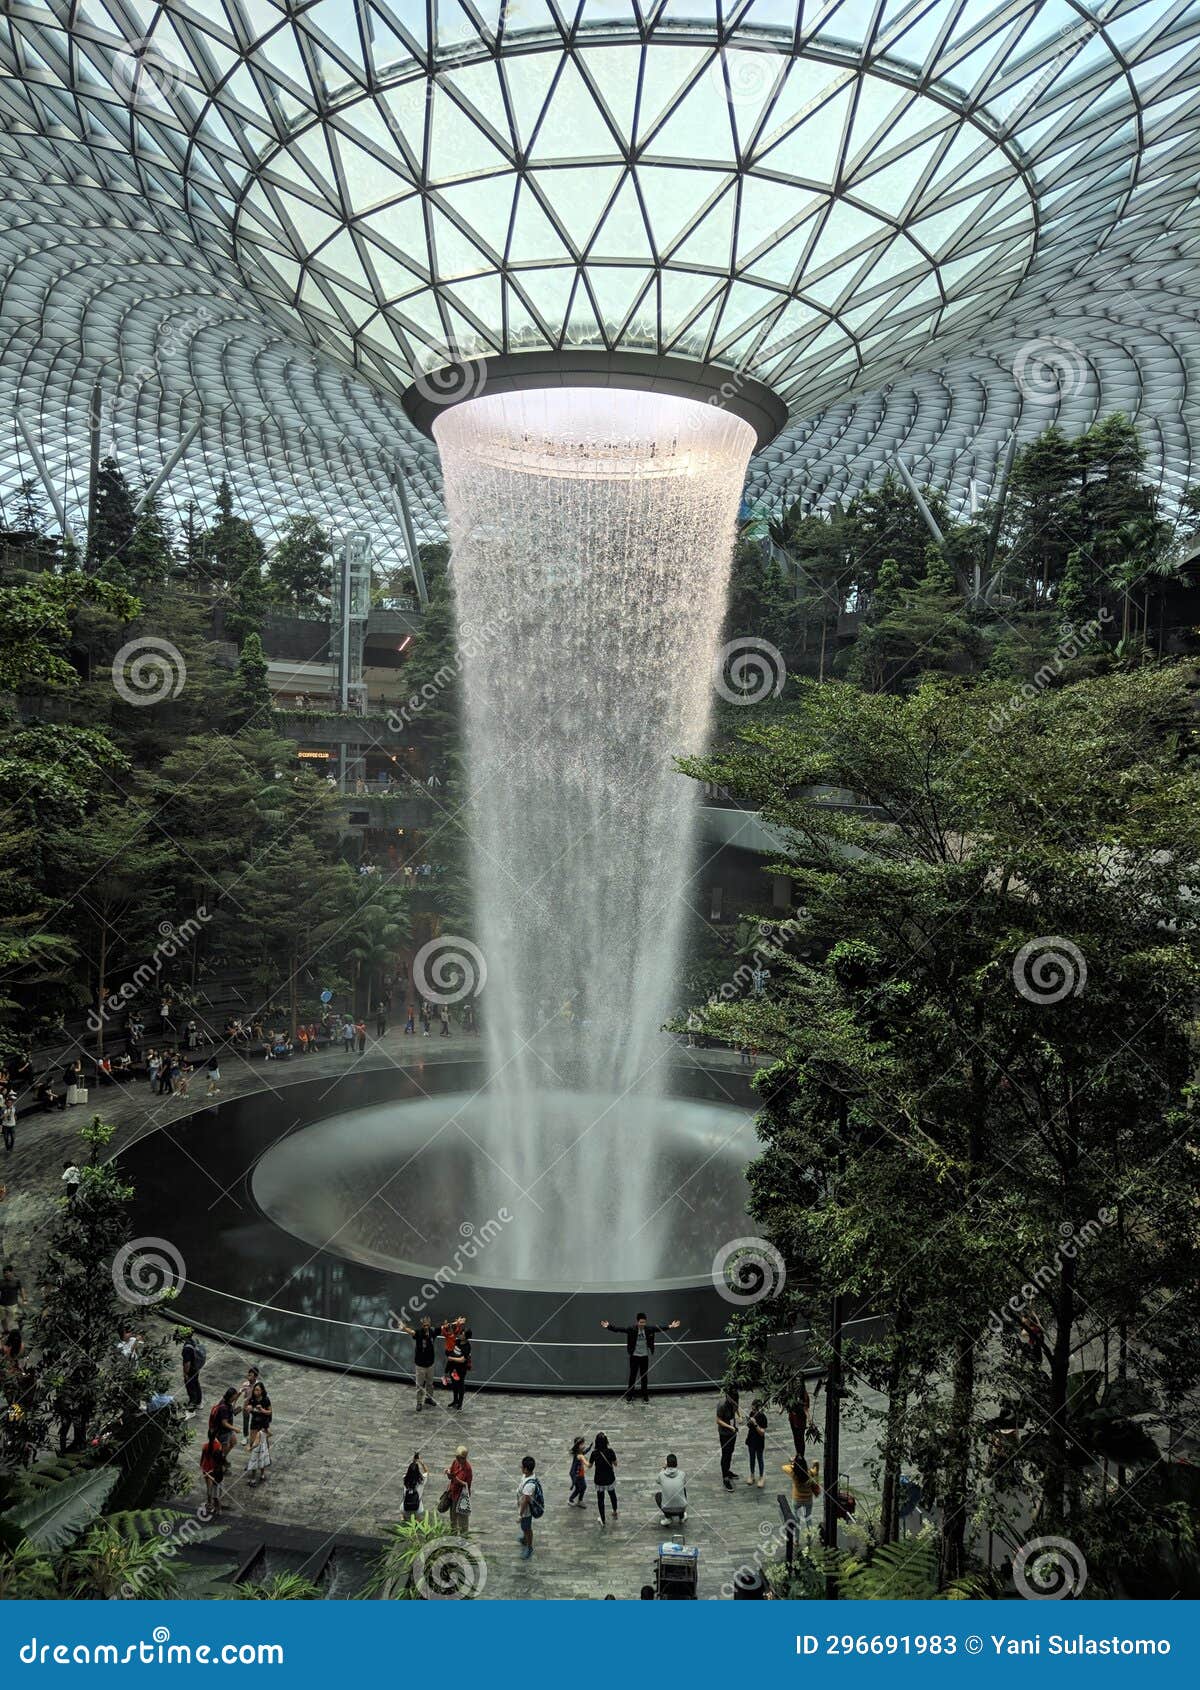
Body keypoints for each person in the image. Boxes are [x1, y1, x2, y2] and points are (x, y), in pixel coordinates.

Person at [598, 1311, 681, 1402]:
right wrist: (608, 1326)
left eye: (644, 1322)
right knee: (632, 1377)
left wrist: (671, 1326)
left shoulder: (649, 1329)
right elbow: (619, 1329)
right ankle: (630, 1396)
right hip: (634, 1357)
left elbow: (660, 1328)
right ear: (637, 1322)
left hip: (644, 1357)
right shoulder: (631, 1329)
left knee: (644, 1377)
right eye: (641, 1322)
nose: (642, 1324)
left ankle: (645, 1396)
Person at [398, 1316, 438, 1410]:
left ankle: (428, 1398)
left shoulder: (433, 1331)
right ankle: (419, 1402)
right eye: (424, 1325)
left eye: (427, 1325)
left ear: (430, 1324)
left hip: (430, 1364)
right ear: (422, 1325)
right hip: (420, 1365)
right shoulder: (419, 1332)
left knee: (430, 1384)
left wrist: (456, 1323)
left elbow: (444, 1328)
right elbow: (412, 1332)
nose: (426, 1327)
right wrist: (404, 1328)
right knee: (420, 1385)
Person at [244, 1382, 273, 1486]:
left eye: (258, 1390)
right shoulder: (252, 1399)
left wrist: (262, 1410)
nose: (256, 1392)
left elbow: (270, 1412)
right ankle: (254, 1465)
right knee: (254, 1444)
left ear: (262, 1391)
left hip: (263, 1424)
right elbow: (246, 1408)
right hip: (254, 1423)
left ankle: (261, 1470)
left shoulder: (265, 1399)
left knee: (262, 1447)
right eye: (255, 1390)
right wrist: (248, 1408)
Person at [588, 1432, 618, 1526]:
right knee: (612, 1495)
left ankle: (603, 1520)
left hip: (599, 1480)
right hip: (610, 1478)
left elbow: (589, 1466)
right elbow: (616, 1464)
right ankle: (615, 1511)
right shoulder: (610, 1451)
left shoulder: (594, 1453)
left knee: (600, 1499)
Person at [200, 1429, 232, 1518]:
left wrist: (202, 1465)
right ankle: (216, 1505)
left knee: (208, 1487)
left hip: (206, 1467)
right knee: (215, 1488)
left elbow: (202, 1458)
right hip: (214, 1468)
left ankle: (209, 1503)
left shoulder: (205, 1446)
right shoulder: (218, 1446)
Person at [517, 1455, 541, 1561]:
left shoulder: (529, 1486)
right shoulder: (526, 1475)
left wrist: (520, 1514)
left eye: (522, 1466)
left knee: (526, 1527)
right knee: (524, 1527)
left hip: (526, 1511)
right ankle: (524, 1538)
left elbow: (525, 1501)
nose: (520, 1467)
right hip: (523, 1508)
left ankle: (529, 1547)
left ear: (526, 1469)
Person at [445, 1445, 472, 1536]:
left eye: (459, 1458)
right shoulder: (455, 1463)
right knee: (453, 1518)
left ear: (464, 1458)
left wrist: (456, 1479)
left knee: (463, 1520)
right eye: (457, 1457)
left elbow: (467, 1485)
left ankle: (464, 1537)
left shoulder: (468, 1469)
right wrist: (448, 1473)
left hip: (462, 1497)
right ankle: (453, 1535)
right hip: (453, 1494)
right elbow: (451, 1476)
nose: (457, 1459)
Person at [655, 1452, 687, 1527]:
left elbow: (657, 1481)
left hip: (667, 1508)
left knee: (658, 1495)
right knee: (683, 1489)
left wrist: (663, 1468)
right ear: (676, 1463)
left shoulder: (661, 1475)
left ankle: (668, 1518)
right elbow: (684, 1482)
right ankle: (681, 1517)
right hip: (681, 1508)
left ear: (667, 1464)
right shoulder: (682, 1474)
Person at [717, 1388, 740, 1489]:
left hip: (733, 1432)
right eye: (733, 1400)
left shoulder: (735, 1401)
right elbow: (718, 1420)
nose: (735, 1402)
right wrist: (729, 1427)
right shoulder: (722, 1405)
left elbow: (736, 1408)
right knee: (725, 1454)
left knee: (730, 1452)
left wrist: (739, 1416)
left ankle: (727, 1470)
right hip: (724, 1433)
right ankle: (725, 1477)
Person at [745, 1397, 768, 1487]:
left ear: (759, 1409)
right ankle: (752, 1475)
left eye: (754, 1409)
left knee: (759, 1458)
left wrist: (755, 1424)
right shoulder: (751, 1414)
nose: (752, 1411)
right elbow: (749, 1426)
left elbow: (762, 1432)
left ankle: (761, 1477)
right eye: (752, 1409)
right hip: (751, 1439)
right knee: (752, 1458)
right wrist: (748, 1422)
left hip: (759, 1441)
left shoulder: (763, 1417)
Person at [446, 1325, 471, 1410]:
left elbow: (462, 1360)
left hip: (461, 1369)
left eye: (462, 1334)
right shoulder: (457, 1341)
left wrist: (452, 1358)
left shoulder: (467, 1346)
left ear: (466, 1336)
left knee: (460, 1385)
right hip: (453, 1368)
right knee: (454, 1385)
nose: (460, 1335)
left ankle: (460, 1404)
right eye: (461, 1333)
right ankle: (455, 1400)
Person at [181, 1330, 204, 1417]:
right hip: (196, 1367)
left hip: (191, 1370)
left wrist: (185, 1373)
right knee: (196, 1384)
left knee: (191, 1387)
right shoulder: (194, 1341)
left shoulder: (187, 1348)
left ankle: (191, 1409)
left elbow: (187, 1363)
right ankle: (199, 1402)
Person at [240, 1365, 263, 1437]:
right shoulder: (245, 1384)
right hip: (246, 1404)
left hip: (255, 1405)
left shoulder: (259, 1385)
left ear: (255, 1377)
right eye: (248, 1375)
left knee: (256, 1421)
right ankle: (245, 1436)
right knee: (245, 1422)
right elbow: (242, 1394)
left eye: (251, 1375)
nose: (248, 1377)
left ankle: (256, 1435)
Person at [403, 1452, 428, 1518]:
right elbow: (426, 1471)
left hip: (405, 1507)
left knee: (403, 1512)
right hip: (417, 1508)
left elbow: (410, 1471)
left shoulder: (405, 1479)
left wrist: (414, 1461)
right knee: (417, 1514)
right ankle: (416, 1519)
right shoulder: (422, 1480)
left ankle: (404, 1517)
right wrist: (420, 1462)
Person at [568, 1437, 587, 1507]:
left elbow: (585, 1452)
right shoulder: (578, 1455)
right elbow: (587, 1464)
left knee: (583, 1487)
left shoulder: (580, 1452)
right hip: (577, 1474)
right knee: (579, 1488)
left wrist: (590, 1447)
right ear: (578, 1445)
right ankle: (571, 1499)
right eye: (582, 1444)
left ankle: (580, 1500)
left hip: (581, 1473)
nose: (584, 1445)